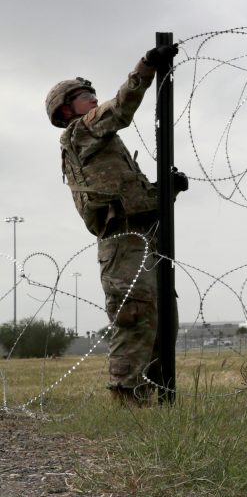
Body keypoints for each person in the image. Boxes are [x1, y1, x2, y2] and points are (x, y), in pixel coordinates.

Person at [48, 46, 186, 403]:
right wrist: (146, 66)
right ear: (66, 109)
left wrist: (165, 192)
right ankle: (127, 397)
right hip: (122, 240)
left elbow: (130, 195)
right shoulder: (81, 131)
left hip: (143, 235)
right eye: (83, 96)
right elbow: (122, 106)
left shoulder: (103, 142)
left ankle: (156, 391)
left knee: (161, 319)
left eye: (92, 93)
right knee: (135, 315)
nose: (93, 98)